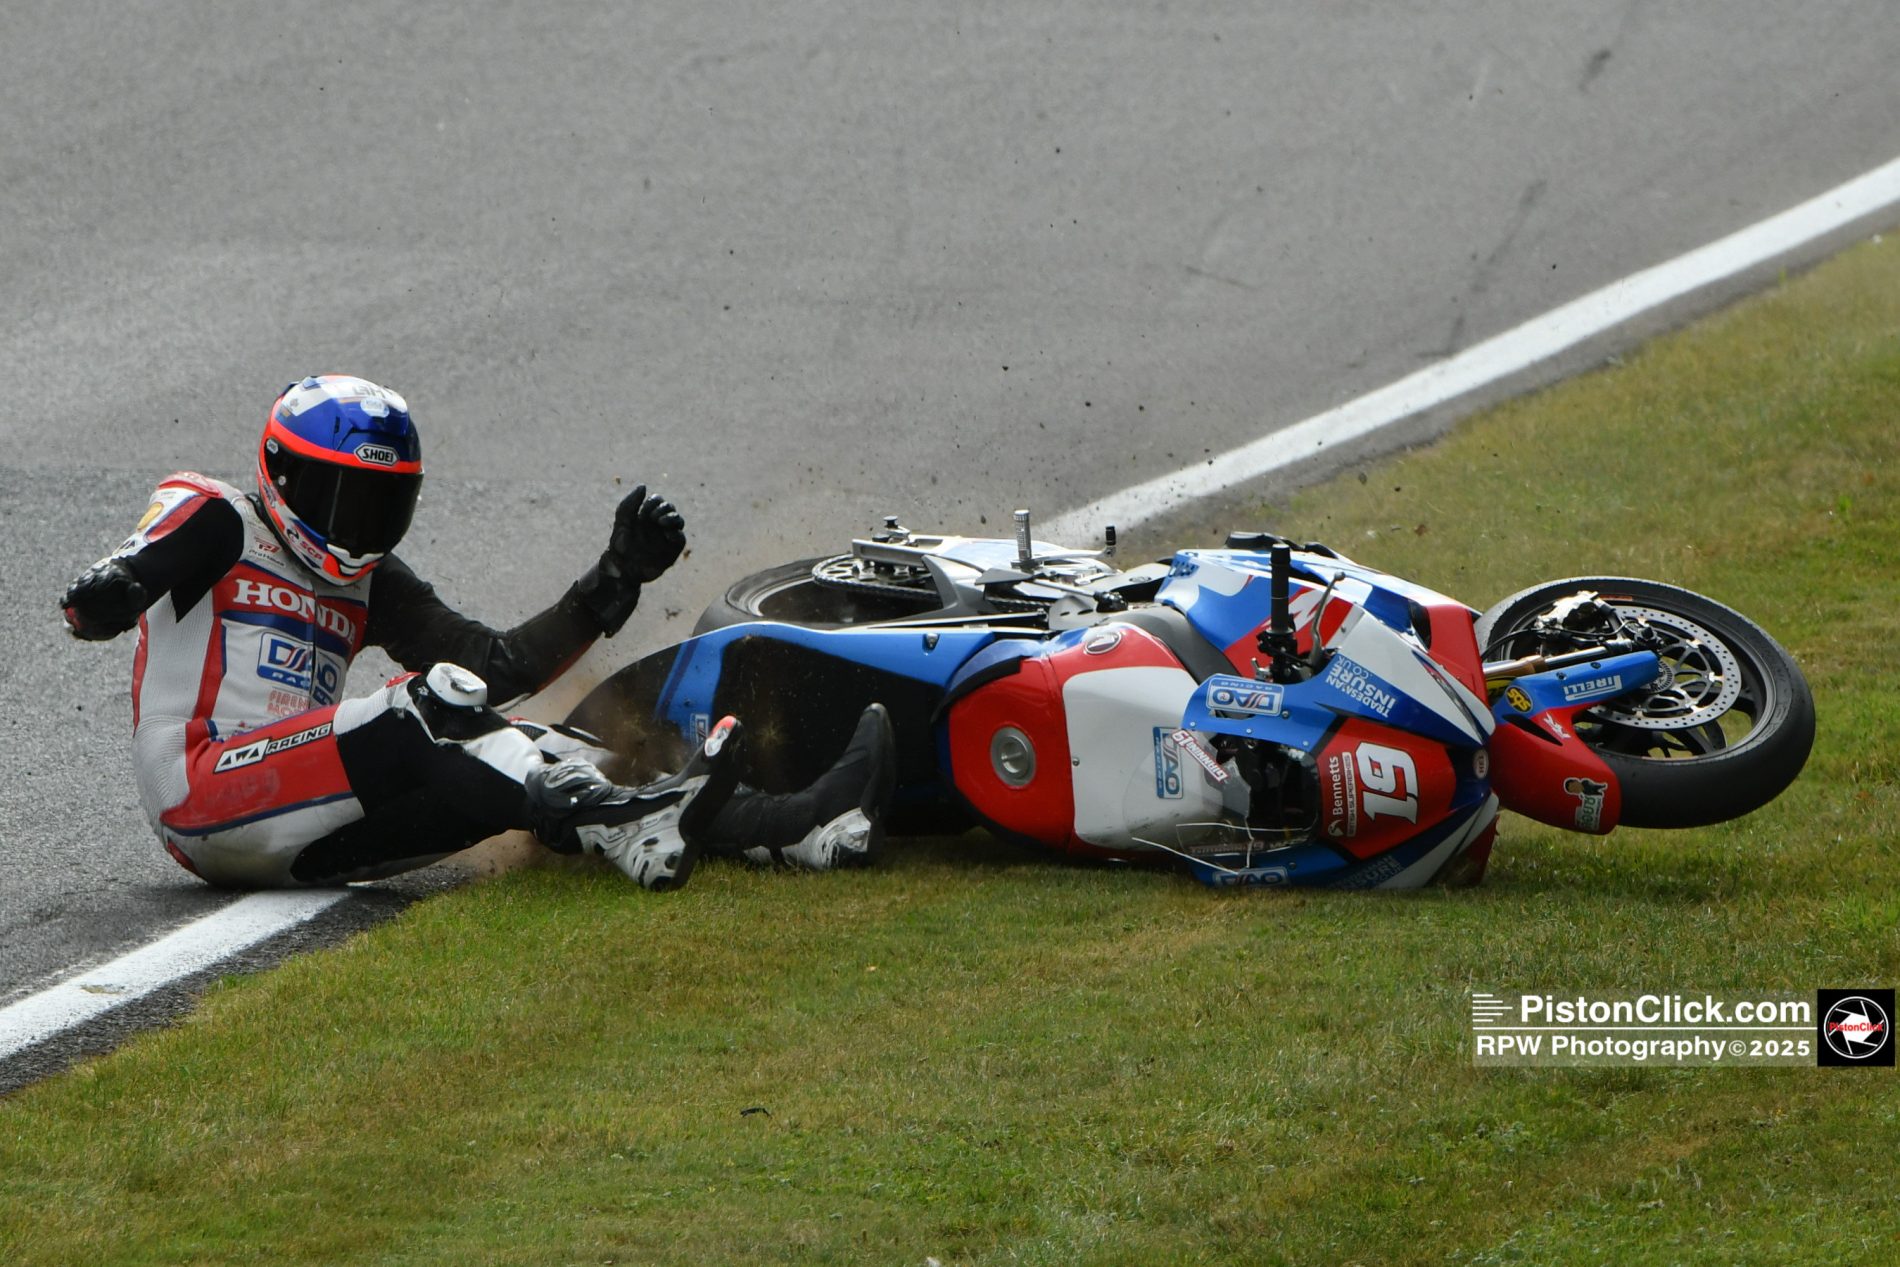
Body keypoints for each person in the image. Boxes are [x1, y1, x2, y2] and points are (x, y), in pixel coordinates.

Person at [60, 374, 893, 891]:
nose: (363, 527)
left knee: (531, 733)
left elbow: (493, 668)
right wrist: (110, 593)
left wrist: (613, 580)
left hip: (311, 837)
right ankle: (627, 818)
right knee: (423, 706)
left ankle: (792, 828)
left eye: (386, 504)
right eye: (345, 496)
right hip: (201, 788)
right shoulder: (220, 519)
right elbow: (125, 575)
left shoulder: (369, 578)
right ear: (282, 474)